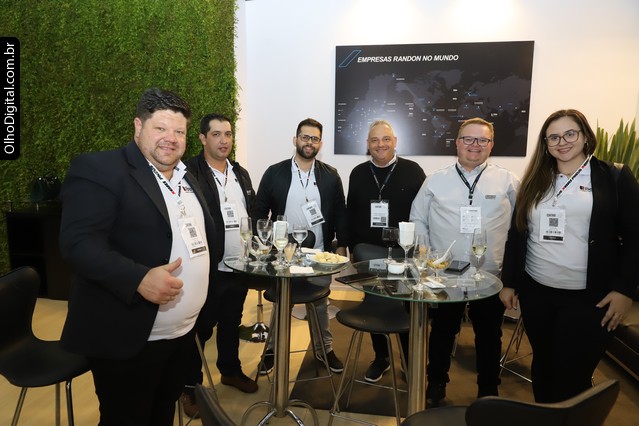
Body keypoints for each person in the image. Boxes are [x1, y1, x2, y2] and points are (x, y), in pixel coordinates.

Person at [59, 88, 218, 426]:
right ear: (138, 126)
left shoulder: (188, 177)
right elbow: (78, 243)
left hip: (181, 335)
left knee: (162, 413)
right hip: (129, 336)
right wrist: (139, 279)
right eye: (160, 128)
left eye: (179, 131)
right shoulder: (101, 168)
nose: (171, 138)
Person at [500, 109, 639, 403]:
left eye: (570, 134)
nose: (562, 142)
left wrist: (625, 289)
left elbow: (635, 236)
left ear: (585, 136)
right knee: (543, 365)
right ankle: (546, 417)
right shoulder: (535, 179)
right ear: (546, 144)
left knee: (573, 375)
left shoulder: (614, 176)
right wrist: (509, 282)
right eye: (553, 137)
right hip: (537, 292)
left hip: (589, 297)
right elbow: (518, 232)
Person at [410, 117, 520, 405]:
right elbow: (418, 219)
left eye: (482, 140)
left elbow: (521, 226)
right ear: (457, 143)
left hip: (490, 275)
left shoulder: (508, 181)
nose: (475, 145)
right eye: (469, 139)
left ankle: (488, 390)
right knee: (443, 330)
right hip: (446, 275)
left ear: (491, 145)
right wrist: (426, 259)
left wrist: (513, 274)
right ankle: (436, 384)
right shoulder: (435, 180)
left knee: (489, 335)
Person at [252, 117, 348, 374]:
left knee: (320, 302)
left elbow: (340, 211)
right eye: (305, 137)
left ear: (320, 144)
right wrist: (261, 242)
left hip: (319, 254)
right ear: (295, 139)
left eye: (314, 138)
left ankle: (324, 349)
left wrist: (342, 244)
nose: (309, 142)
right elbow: (259, 210)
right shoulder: (275, 172)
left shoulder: (330, 175)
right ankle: (272, 350)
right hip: (284, 253)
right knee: (282, 303)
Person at [180, 113, 259, 417]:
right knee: (200, 330)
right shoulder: (190, 174)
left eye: (228, 134)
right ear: (202, 138)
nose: (224, 140)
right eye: (216, 134)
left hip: (238, 266)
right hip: (208, 268)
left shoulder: (240, 172)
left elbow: (250, 213)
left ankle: (230, 370)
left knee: (231, 322)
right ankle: (190, 388)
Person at [346, 119, 425, 382]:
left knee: (407, 307)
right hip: (366, 252)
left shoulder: (413, 171)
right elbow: (350, 211)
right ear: (367, 144)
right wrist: (349, 247)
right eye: (375, 140)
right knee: (374, 304)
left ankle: (409, 359)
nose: (380, 144)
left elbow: (423, 213)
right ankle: (382, 357)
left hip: (404, 253)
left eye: (386, 139)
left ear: (395, 142)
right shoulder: (358, 172)